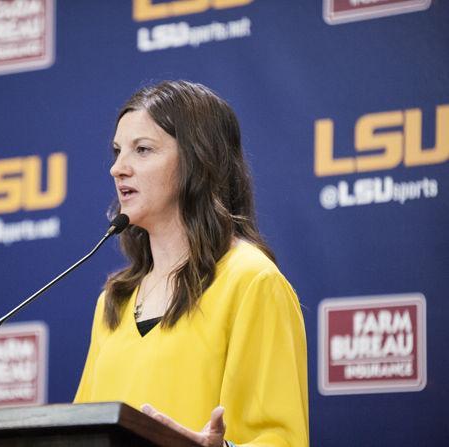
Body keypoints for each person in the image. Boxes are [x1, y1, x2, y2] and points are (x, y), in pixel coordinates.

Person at [74, 80, 308, 447]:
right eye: (117, 151)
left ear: (197, 161)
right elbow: (82, 432)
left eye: (143, 149)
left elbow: (281, 438)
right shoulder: (114, 301)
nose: (117, 168)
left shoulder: (251, 281)